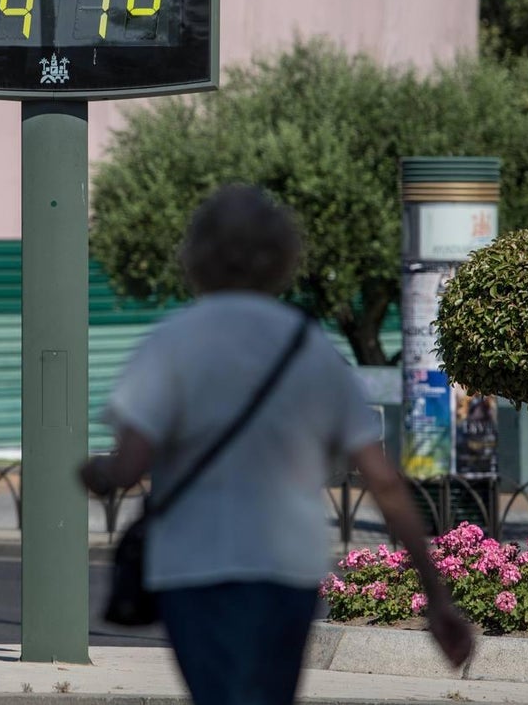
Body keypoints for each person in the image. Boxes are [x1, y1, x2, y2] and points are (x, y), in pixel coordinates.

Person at [80, 184, 474, 705]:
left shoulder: (172, 341)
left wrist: (95, 474)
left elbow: (128, 467)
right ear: (283, 257)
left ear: (196, 255)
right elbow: (382, 480)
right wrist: (436, 598)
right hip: (286, 565)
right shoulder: (309, 347)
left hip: (192, 566)